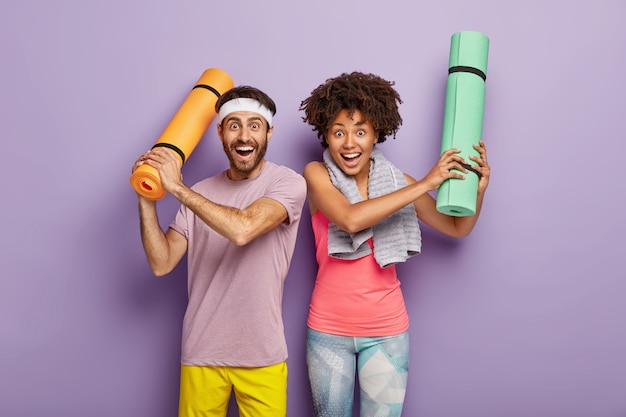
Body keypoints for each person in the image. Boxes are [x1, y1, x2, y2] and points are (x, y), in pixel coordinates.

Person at [299, 72, 491, 417]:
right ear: (326, 135)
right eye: (338, 132)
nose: (349, 143)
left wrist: (477, 194)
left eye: (360, 131)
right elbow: (350, 219)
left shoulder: (400, 183)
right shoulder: (317, 174)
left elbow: (456, 228)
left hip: (387, 332)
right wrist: (426, 183)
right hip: (328, 331)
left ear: (376, 135)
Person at [132, 85, 307, 417]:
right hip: (202, 351)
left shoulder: (288, 183)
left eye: (254, 125)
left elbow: (243, 229)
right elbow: (161, 262)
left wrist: (177, 189)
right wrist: (147, 199)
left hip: (261, 354)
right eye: (234, 124)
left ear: (269, 132)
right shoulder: (202, 191)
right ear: (220, 132)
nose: (244, 135)